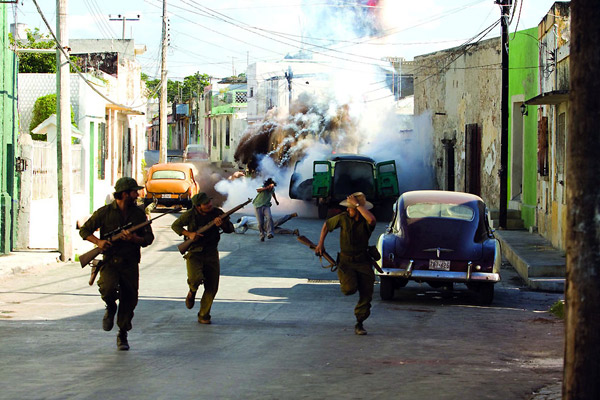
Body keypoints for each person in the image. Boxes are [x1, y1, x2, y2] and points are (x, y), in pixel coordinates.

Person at [79, 177, 155, 351]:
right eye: (134, 192)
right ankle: (111, 306)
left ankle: (122, 333)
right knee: (107, 288)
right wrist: (98, 243)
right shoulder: (104, 212)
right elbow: (84, 231)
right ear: (124, 193)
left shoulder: (138, 214)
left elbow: (149, 238)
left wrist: (135, 238)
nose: (137, 194)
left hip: (130, 262)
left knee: (130, 299)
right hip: (110, 261)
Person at [315, 192, 377, 336]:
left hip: (363, 261)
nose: (347, 210)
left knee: (367, 293)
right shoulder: (343, 218)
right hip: (346, 261)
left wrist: (357, 204)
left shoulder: (366, 222)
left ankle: (359, 323)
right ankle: (349, 282)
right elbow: (327, 225)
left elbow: (372, 220)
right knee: (349, 289)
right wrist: (320, 244)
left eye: (350, 208)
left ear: (357, 208)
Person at [171, 192, 234, 324]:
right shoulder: (190, 214)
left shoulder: (217, 213)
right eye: (206, 204)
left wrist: (221, 224)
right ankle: (192, 292)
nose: (209, 204)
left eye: (209, 202)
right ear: (198, 206)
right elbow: (175, 225)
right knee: (195, 279)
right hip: (194, 252)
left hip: (211, 252)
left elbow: (230, 229)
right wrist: (189, 234)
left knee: (212, 286)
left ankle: (204, 315)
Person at [233, 212, 299, 236]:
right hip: (265, 229)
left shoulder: (244, 218)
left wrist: (232, 226)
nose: (244, 226)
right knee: (279, 231)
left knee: (278, 222)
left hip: (265, 223)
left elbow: (240, 224)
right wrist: (234, 231)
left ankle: (290, 216)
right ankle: (294, 232)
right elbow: (242, 231)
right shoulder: (246, 226)